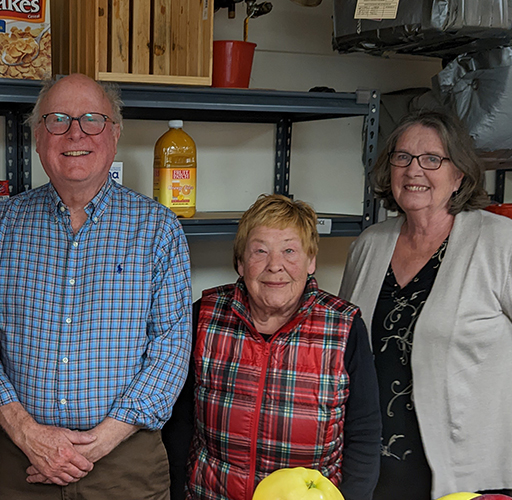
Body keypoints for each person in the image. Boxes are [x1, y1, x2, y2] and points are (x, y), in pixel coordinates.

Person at [0, 73, 193, 499]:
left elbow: (171, 349)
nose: (75, 133)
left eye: (92, 119)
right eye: (57, 120)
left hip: (123, 461)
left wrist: (96, 445)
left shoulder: (157, 229)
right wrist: (27, 432)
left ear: (114, 135)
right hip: (17, 457)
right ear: (38, 137)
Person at [340, 110, 512, 499]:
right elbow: (347, 347)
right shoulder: (369, 245)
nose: (414, 170)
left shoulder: (500, 243)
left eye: (432, 159)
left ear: (459, 175)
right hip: (375, 470)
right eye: (403, 157)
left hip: (470, 473)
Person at [169, 194, 381, 500]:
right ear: (240, 262)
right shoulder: (205, 316)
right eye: (260, 251)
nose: (275, 266)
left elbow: (364, 433)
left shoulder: (344, 327)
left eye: (290, 251)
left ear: (311, 261)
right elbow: (180, 423)